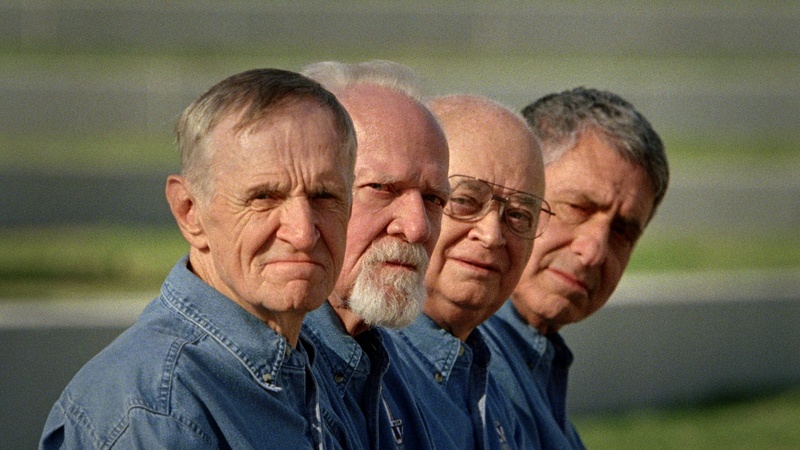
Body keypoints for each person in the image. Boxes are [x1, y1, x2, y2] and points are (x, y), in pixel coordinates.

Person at [40, 68, 357, 449]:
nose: (303, 232)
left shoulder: (314, 369)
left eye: (325, 196)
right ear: (189, 211)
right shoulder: (159, 411)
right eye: (264, 197)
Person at [481, 87, 670, 449]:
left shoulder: (538, 367)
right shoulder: (456, 364)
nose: (594, 252)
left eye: (622, 232)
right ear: (515, 192)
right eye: (578, 208)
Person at [382, 94, 549, 449]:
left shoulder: (493, 387)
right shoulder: (362, 373)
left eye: (519, 215)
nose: (492, 235)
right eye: (465, 201)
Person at [300, 60, 450, 449]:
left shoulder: (399, 373)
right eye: (382, 188)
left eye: (433, 199)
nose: (417, 228)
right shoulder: (243, 377)